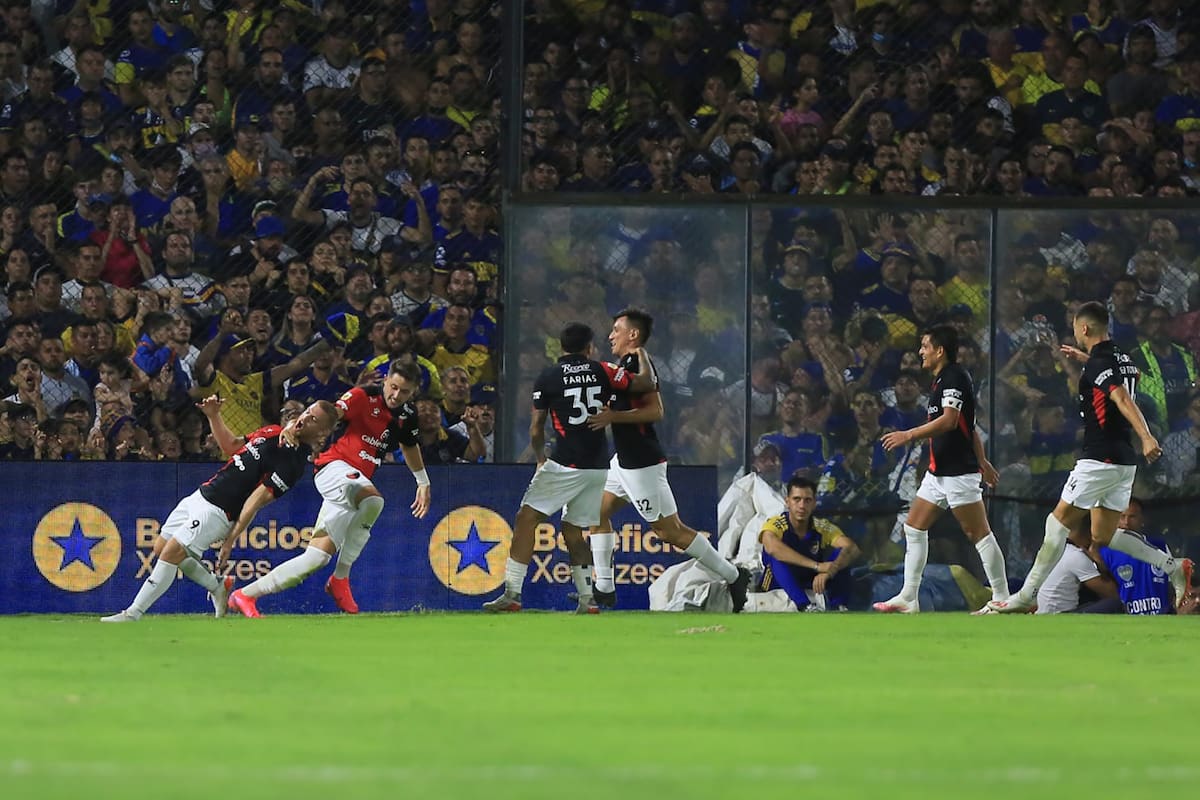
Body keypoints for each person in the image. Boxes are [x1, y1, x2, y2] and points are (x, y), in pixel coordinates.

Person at [988, 302, 1191, 613]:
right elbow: (1129, 376)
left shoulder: (1101, 364)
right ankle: (1170, 565)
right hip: (1122, 461)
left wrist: (1147, 436)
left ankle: (1027, 595)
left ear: (1084, 328)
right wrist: (1087, 362)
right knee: (1103, 534)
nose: (1074, 333)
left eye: (1074, 327)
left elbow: (1121, 397)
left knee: (1056, 524)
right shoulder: (1121, 357)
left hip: (1100, 458)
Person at [101, 398, 337, 622]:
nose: (305, 418)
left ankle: (132, 613)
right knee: (161, 546)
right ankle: (217, 585)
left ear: (322, 433)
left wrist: (230, 540)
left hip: (220, 511)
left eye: (314, 419)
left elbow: (254, 502)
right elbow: (231, 446)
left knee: (171, 553)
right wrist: (213, 416)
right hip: (202, 494)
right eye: (308, 411)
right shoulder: (273, 431)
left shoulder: (292, 464)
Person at [228, 360, 431, 617]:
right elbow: (325, 414)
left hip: (352, 486)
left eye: (404, 392)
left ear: (413, 391)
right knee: (373, 501)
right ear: (386, 379)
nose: (395, 395)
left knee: (315, 559)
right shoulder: (362, 396)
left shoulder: (406, 416)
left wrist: (422, 482)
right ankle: (340, 579)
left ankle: (244, 595)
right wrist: (293, 425)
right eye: (393, 387)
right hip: (333, 469)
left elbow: (409, 447)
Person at [586, 308, 751, 611]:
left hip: (641, 465)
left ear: (632, 334)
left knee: (669, 532)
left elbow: (656, 411)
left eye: (616, 329)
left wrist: (613, 416)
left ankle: (733, 575)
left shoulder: (637, 362)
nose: (610, 335)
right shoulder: (629, 363)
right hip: (622, 461)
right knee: (596, 512)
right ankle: (604, 589)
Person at [483, 322, 654, 613]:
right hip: (597, 467)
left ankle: (512, 594)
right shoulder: (604, 369)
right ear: (589, 348)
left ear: (560, 348)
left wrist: (540, 458)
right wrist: (643, 356)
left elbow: (536, 428)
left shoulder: (548, 377)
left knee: (526, 519)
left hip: (564, 464)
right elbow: (645, 384)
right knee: (573, 529)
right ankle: (587, 599)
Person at [874, 324, 1010, 614]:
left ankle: (1001, 597)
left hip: (958, 472)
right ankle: (909, 597)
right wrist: (983, 460)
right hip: (938, 473)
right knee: (913, 526)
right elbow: (968, 425)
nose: (920, 351)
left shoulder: (954, 377)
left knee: (979, 534)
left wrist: (908, 435)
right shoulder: (941, 380)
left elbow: (950, 421)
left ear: (939, 350)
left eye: (925, 346)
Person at [759, 476, 860, 611]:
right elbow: (771, 547)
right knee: (776, 556)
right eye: (797, 499)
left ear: (814, 504)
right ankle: (805, 606)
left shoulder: (821, 526)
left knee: (842, 553)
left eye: (807, 501)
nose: (802, 506)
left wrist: (829, 571)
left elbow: (852, 548)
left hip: (811, 582)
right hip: (777, 584)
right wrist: (817, 566)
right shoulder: (776, 523)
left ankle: (839, 606)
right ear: (787, 502)